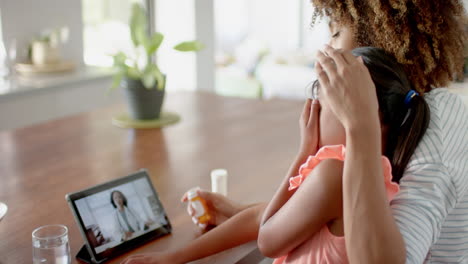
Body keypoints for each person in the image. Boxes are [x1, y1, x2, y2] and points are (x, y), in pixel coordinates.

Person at [124, 0, 467, 262]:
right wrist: (242, 209)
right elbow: (320, 210)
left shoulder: (426, 151)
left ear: (378, 35)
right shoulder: (403, 122)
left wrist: (357, 129)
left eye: (335, 30)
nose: (327, 48)